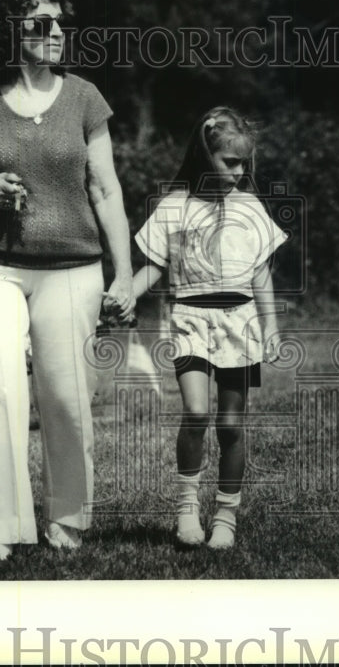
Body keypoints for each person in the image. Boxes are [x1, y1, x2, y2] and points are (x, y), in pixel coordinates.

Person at [0, 0, 134, 562]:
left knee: (66, 394)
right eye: (42, 21)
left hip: (73, 266)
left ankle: (69, 518)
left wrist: (122, 273)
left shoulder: (84, 98)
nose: (56, 31)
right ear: (10, 28)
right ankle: (0, 527)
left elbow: (106, 190)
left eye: (61, 21)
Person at [131, 107, 286, 549]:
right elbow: (154, 267)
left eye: (244, 164)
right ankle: (186, 510)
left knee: (232, 423)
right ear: (205, 156)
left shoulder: (250, 207)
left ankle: (225, 515)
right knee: (197, 413)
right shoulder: (174, 207)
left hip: (239, 322)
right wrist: (124, 292)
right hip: (190, 319)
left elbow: (261, 275)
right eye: (230, 162)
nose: (239, 172)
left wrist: (270, 326)